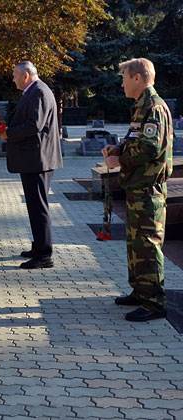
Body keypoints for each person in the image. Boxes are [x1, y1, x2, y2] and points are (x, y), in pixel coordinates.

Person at [102, 58, 173, 322]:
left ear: (137, 78)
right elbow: (136, 139)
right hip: (138, 188)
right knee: (136, 245)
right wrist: (118, 148)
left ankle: (154, 303)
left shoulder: (154, 107)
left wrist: (119, 160)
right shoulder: (141, 107)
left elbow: (150, 148)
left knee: (148, 246)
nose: (122, 84)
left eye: (124, 78)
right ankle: (141, 292)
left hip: (148, 190)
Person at [0, 61, 62, 269]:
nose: (13, 79)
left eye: (15, 75)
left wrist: (9, 133)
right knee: (34, 206)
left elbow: (35, 124)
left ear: (25, 76)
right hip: (34, 159)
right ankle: (38, 246)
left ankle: (44, 255)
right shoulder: (33, 91)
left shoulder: (39, 92)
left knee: (39, 207)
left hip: (38, 160)